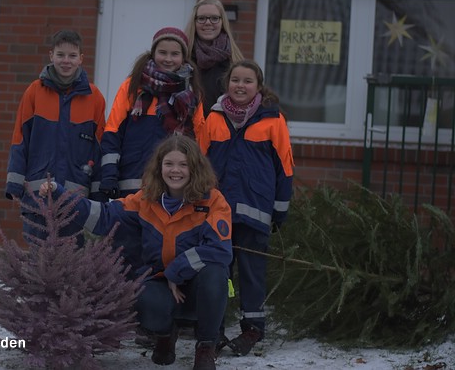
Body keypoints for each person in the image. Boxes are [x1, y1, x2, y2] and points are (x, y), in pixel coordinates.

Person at [40, 135, 232, 370]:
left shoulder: (213, 201)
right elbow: (104, 217)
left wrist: (176, 271)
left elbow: (219, 250)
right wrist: (61, 193)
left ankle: (205, 347)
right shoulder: (145, 199)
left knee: (216, 275)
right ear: (159, 167)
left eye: (183, 164)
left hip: (196, 286)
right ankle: (164, 335)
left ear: (195, 167)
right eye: (169, 164)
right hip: (159, 282)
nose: (176, 171)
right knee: (145, 302)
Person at [198, 59, 294, 356]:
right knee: (218, 274)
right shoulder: (212, 118)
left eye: (247, 81)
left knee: (252, 274)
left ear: (258, 86)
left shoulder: (272, 119)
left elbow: (285, 168)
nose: (240, 85)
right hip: (218, 216)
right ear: (227, 84)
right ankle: (213, 331)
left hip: (256, 213)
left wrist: (280, 211)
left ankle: (253, 328)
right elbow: (199, 164)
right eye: (235, 80)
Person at [99, 26, 205, 277]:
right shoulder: (131, 87)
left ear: (184, 58)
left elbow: (199, 142)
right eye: (162, 52)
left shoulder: (192, 95)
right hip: (130, 183)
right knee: (125, 250)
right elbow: (112, 131)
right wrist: (108, 175)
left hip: (172, 189)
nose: (168, 59)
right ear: (153, 52)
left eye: (175, 54)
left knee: (160, 250)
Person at [5, 29, 106, 247]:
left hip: (76, 198)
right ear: (51, 55)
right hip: (36, 197)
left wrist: (98, 193)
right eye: (60, 55)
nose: (66, 61)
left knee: (72, 260)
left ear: (81, 58)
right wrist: (14, 183)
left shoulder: (94, 98)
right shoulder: (34, 92)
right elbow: (20, 138)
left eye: (72, 56)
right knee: (37, 259)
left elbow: (99, 148)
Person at [185, 0, 244, 118]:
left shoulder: (235, 61)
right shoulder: (182, 58)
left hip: (222, 133)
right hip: (187, 132)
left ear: (222, 22)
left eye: (214, 18)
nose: (208, 22)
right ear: (194, 22)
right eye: (201, 18)